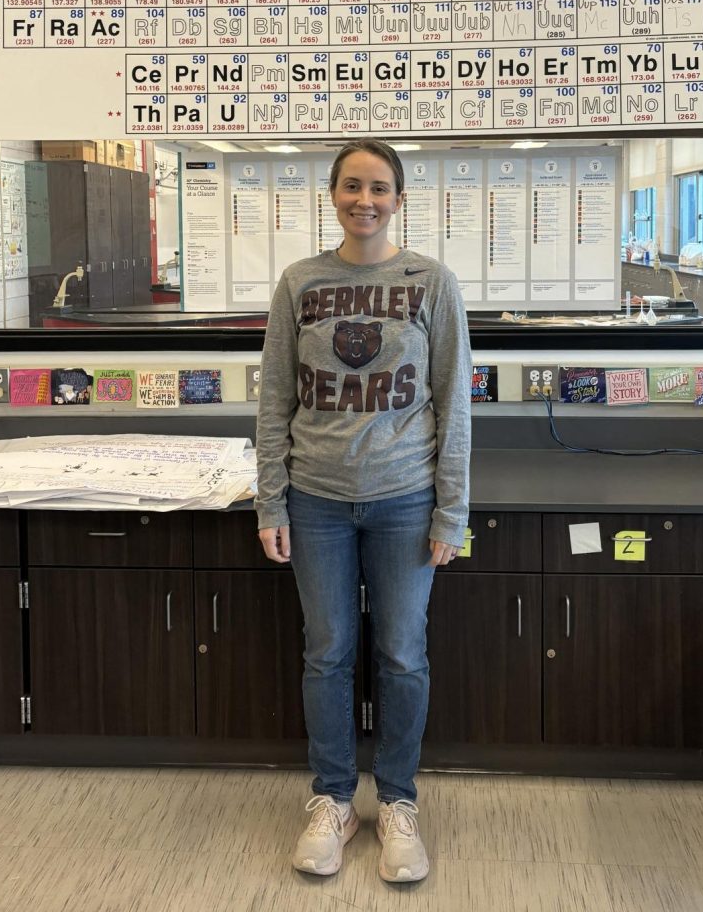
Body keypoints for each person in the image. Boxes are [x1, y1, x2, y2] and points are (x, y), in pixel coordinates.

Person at [255, 138, 471, 884]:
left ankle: (400, 802)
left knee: (403, 654)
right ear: (333, 194)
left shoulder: (431, 282)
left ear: (399, 199)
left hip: (405, 499)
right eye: (352, 186)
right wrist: (270, 499)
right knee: (327, 651)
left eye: (379, 188)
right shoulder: (299, 283)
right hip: (314, 500)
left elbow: (453, 405)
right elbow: (275, 399)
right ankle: (334, 800)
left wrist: (452, 513)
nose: (365, 200)